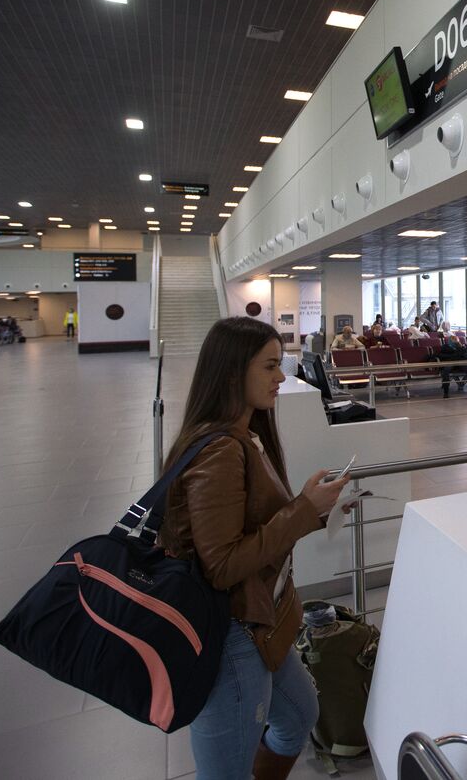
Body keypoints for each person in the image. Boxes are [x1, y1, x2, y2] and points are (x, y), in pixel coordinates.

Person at [157, 317, 351, 780]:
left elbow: (251, 525)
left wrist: (306, 504)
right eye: (269, 367)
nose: (281, 377)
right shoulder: (219, 450)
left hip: (262, 622)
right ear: (230, 373)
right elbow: (222, 566)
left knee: (299, 715)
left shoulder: (245, 436)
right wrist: (304, 509)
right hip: (232, 635)